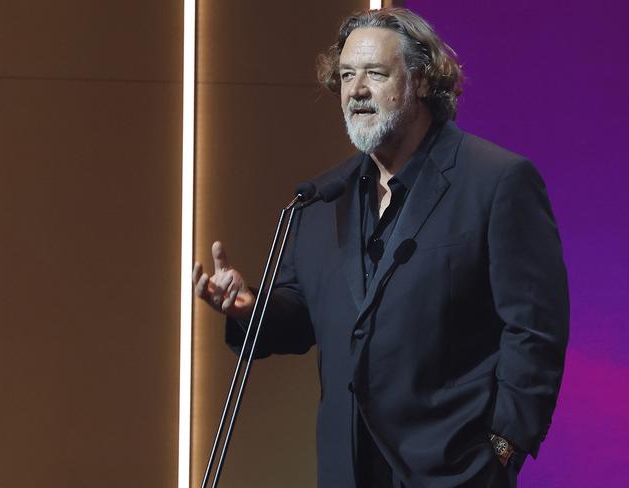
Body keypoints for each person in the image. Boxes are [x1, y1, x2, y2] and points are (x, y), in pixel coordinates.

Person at [193, 7, 569, 488]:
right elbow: (300, 319)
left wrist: (502, 448)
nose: (357, 90)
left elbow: (536, 329)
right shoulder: (320, 200)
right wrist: (248, 307)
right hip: (347, 469)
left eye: (375, 73)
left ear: (421, 80)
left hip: (455, 471)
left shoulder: (496, 182)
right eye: (347, 75)